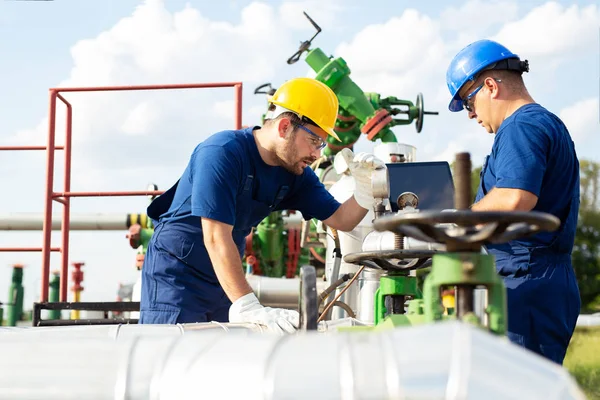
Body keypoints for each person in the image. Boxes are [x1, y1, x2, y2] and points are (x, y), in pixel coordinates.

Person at [139, 77, 385, 333]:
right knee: (170, 357)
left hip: (225, 278)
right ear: (284, 127)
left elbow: (342, 220)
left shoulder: (295, 174)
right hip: (176, 275)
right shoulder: (221, 152)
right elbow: (214, 236)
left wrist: (365, 191)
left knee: (216, 363)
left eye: (321, 145)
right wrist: (248, 305)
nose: (317, 155)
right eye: (315, 141)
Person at [446, 39, 581, 364]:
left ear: (490, 86)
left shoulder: (522, 126)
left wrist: (457, 220)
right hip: (535, 277)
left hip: (527, 280)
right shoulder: (541, 123)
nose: (471, 114)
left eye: (468, 101)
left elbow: (515, 196)